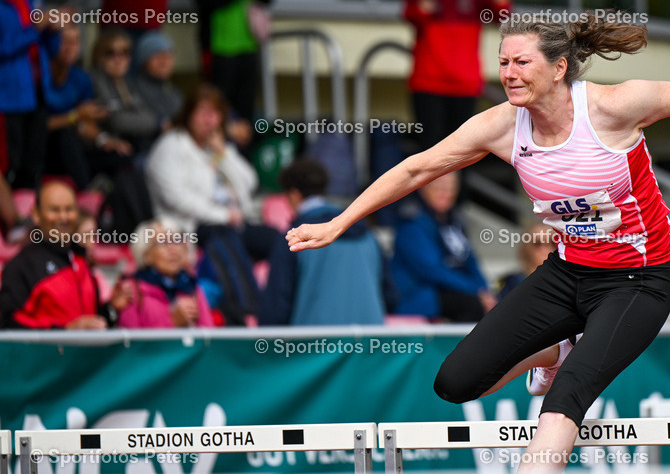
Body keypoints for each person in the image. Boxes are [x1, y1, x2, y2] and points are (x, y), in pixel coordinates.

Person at [287, 12, 670, 474]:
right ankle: (559, 346)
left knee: (567, 397)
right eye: (502, 63)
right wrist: (338, 223)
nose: (509, 73)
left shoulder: (612, 108)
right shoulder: (500, 126)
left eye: (521, 63)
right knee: (456, 381)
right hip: (568, 273)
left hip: (639, 280)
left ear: (559, 67)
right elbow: (417, 169)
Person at [146, 83, 286, 324]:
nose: (209, 119)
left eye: (215, 112)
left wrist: (224, 154)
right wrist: (223, 215)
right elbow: (176, 197)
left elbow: (250, 183)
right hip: (189, 226)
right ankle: (248, 310)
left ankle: (279, 308)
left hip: (233, 221)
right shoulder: (170, 147)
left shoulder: (216, 148)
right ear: (188, 114)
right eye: (202, 111)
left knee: (277, 239)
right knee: (224, 238)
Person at [403, 0, 512, 151]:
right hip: (428, 82)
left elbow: (505, 17)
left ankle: (457, 188)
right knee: (429, 152)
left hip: (465, 84)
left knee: (462, 153)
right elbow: (414, 17)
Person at [259, 157, 395, 326]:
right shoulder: (368, 235)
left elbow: (276, 308)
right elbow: (390, 297)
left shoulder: (294, 239)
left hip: (315, 347)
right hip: (369, 345)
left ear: (293, 195)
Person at [0, 179, 129, 329]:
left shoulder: (80, 260)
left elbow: (87, 322)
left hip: (85, 352)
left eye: (69, 209)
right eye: (54, 210)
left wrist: (110, 308)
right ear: (36, 214)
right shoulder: (21, 266)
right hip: (45, 353)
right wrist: (64, 331)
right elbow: (8, 326)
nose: (63, 217)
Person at [391, 172, 496, 322]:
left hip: (452, 292)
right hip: (420, 297)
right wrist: (475, 291)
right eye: (439, 188)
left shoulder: (454, 220)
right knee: (471, 306)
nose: (446, 193)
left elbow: (470, 260)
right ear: (423, 188)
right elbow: (431, 270)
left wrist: (484, 290)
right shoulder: (411, 224)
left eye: (451, 188)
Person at [0, 0, 61, 189]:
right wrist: (36, 29)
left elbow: (45, 39)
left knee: (35, 160)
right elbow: (4, 46)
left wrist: (54, 29)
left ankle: (30, 217)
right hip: (10, 93)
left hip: (39, 87)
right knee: (13, 162)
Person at [45, 23, 113, 189]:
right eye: (64, 41)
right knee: (65, 134)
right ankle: (86, 190)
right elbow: (39, 126)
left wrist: (103, 139)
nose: (70, 48)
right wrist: (75, 116)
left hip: (74, 144)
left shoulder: (81, 78)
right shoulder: (39, 75)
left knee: (119, 155)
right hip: (44, 145)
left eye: (75, 42)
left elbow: (85, 123)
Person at [118, 219, 214, 329]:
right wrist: (172, 323)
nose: (173, 249)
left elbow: (208, 337)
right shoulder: (132, 290)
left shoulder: (192, 288)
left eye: (177, 241)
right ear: (146, 254)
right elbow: (129, 343)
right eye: (162, 243)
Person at [89, 29, 157, 157]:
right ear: (99, 56)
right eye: (111, 53)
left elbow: (148, 116)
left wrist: (153, 122)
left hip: (129, 147)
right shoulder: (94, 80)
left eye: (124, 53)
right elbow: (116, 121)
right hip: (102, 151)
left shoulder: (126, 82)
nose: (118, 59)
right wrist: (154, 123)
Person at [133, 30, 183, 129]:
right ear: (144, 61)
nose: (164, 62)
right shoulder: (133, 89)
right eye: (158, 56)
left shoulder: (172, 90)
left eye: (168, 56)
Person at [498, 223, 557, 300]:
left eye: (552, 242)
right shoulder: (513, 283)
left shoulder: (567, 283)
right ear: (526, 248)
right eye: (538, 243)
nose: (546, 249)